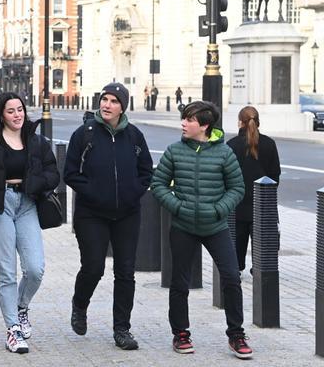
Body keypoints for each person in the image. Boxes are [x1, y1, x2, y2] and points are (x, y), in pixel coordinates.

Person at [150, 101, 251, 359]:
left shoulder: (224, 153)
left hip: (215, 226)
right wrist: (178, 207)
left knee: (231, 276)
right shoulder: (174, 151)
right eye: (183, 119)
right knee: (179, 282)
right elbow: (158, 184)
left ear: (204, 125)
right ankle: (180, 333)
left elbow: (237, 188)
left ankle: (236, 334)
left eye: (189, 120)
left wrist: (219, 209)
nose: (183, 124)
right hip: (183, 226)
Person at [63, 83, 153, 350]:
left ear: (122, 106)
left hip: (127, 213)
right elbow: (70, 173)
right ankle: (80, 304)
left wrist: (132, 193)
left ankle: (122, 329)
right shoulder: (84, 134)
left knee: (125, 272)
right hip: (92, 213)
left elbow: (146, 171)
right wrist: (93, 193)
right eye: (104, 99)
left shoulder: (134, 136)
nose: (107, 105)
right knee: (94, 267)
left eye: (114, 101)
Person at [0, 92, 60, 354]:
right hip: (0, 208)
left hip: (27, 205)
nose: (17, 115)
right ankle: (13, 329)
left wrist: (36, 183)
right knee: (7, 272)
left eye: (20, 109)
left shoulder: (37, 142)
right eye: (11, 111)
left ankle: (21, 306)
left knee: (35, 268)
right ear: (1, 115)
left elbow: (53, 173)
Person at [226, 106, 281, 273]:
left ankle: (237, 268)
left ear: (239, 123)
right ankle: (260, 267)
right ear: (258, 122)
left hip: (237, 202)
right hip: (263, 202)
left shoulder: (231, 145)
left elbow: (225, 174)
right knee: (263, 237)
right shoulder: (269, 144)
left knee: (237, 237)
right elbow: (275, 174)